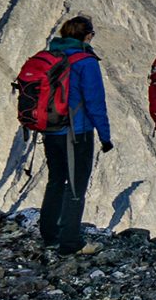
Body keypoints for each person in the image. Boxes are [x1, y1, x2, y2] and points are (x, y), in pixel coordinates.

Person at [40, 16, 113, 255]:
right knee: (76, 187)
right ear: (87, 35)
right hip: (77, 133)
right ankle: (70, 243)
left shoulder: (51, 56)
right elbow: (95, 102)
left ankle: (49, 235)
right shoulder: (85, 61)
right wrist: (105, 136)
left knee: (55, 180)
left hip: (51, 130)